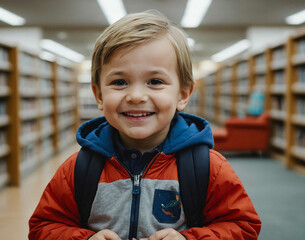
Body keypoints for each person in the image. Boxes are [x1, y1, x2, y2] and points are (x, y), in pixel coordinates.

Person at [29, 10, 261, 240]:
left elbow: (243, 226)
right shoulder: (78, 169)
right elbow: (44, 226)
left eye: (155, 81)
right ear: (98, 95)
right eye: (119, 82)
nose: (136, 96)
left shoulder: (208, 168)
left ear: (182, 94)